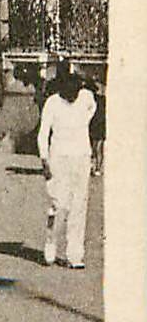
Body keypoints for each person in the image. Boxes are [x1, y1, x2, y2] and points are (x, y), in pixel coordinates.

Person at [37, 70, 98, 269]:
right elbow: (43, 132)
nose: (73, 96)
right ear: (61, 89)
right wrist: (44, 159)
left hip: (81, 157)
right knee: (58, 204)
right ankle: (51, 242)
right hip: (58, 158)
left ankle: (75, 255)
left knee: (79, 205)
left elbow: (91, 111)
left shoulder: (87, 98)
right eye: (69, 92)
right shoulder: (53, 103)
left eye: (76, 91)